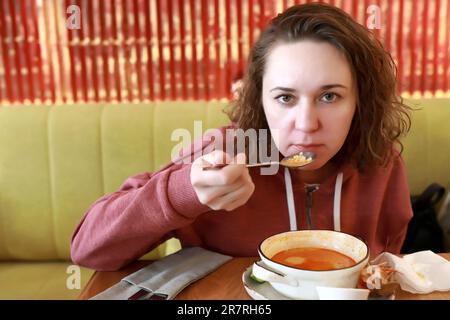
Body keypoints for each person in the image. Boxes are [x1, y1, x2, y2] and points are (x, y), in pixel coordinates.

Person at [71, 3, 413, 271]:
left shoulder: (382, 162)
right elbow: (87, 249)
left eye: (329, 96)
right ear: (260, 100)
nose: (306, 124)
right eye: (285, 98)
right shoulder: (219, 156)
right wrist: (183, 193)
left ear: (359, 100)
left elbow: (383, 267)